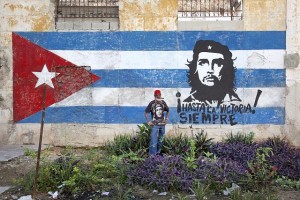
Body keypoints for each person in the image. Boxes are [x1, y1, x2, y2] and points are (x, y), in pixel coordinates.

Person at [184, 40, 241, 106]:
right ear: (195, 68)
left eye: (218, 63)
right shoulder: (187, 103)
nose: (210, 70)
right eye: (203, 63)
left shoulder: (236, 103)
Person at [144, 90, 170, 155]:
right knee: (153, 139)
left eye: (159, 96)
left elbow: (168, 110)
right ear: (154, 96)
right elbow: (145, 112)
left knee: (161, 139)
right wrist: (149, 121)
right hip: (155, 124)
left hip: (162, 124)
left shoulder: (163, 102)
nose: (159, 98)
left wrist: (166, 119)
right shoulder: (152, 103)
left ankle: (159, 153)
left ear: (161, 95)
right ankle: (152, 155)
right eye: (157, 97)